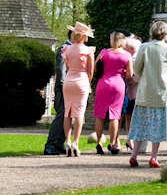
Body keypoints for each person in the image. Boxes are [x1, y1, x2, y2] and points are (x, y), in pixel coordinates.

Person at [127, 20, 167, 168]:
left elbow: (136, 68)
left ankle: (134, 155)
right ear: (165, 33)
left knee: (140, 125)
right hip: (164, 93)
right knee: (158, 126)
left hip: (145, 91)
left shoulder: (144, 47)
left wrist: (146, 77)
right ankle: (153, 157)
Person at [93, 31, 133, 154]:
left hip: (103, 84)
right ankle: (112, 143)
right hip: (118, 85)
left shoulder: (104, 52)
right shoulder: (126, 55)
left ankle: (99, 142)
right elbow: (129, 74)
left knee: (100, 115)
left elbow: (95, 68)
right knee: (114, 116)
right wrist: (122, 70)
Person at [62, 22, 95, 157]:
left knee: (67, 113)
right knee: (79, 113)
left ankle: (68, 141)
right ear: (85, 36)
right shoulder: (88, 51)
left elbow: (68, 67)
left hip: (69, 81)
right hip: (81, 81)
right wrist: (88, 84)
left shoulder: (67, 49)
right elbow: (90, 71)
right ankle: (76, 142)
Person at [43, 31, 71, 155]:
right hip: (64, 87)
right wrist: (64, 86)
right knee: (61, 115)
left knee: (67, 116)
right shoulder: (63, 49)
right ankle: (50, 145)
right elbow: (61, 70)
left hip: (72, 86)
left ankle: (59, 144)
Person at [120, 35, 141, 151]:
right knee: (129, 116)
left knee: (132, 116)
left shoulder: (134, 59)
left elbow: (136, 77)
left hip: (135, 91)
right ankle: (129, 139)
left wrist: (127, 77)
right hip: (131, 91)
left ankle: (132, 139)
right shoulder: (130, 57)